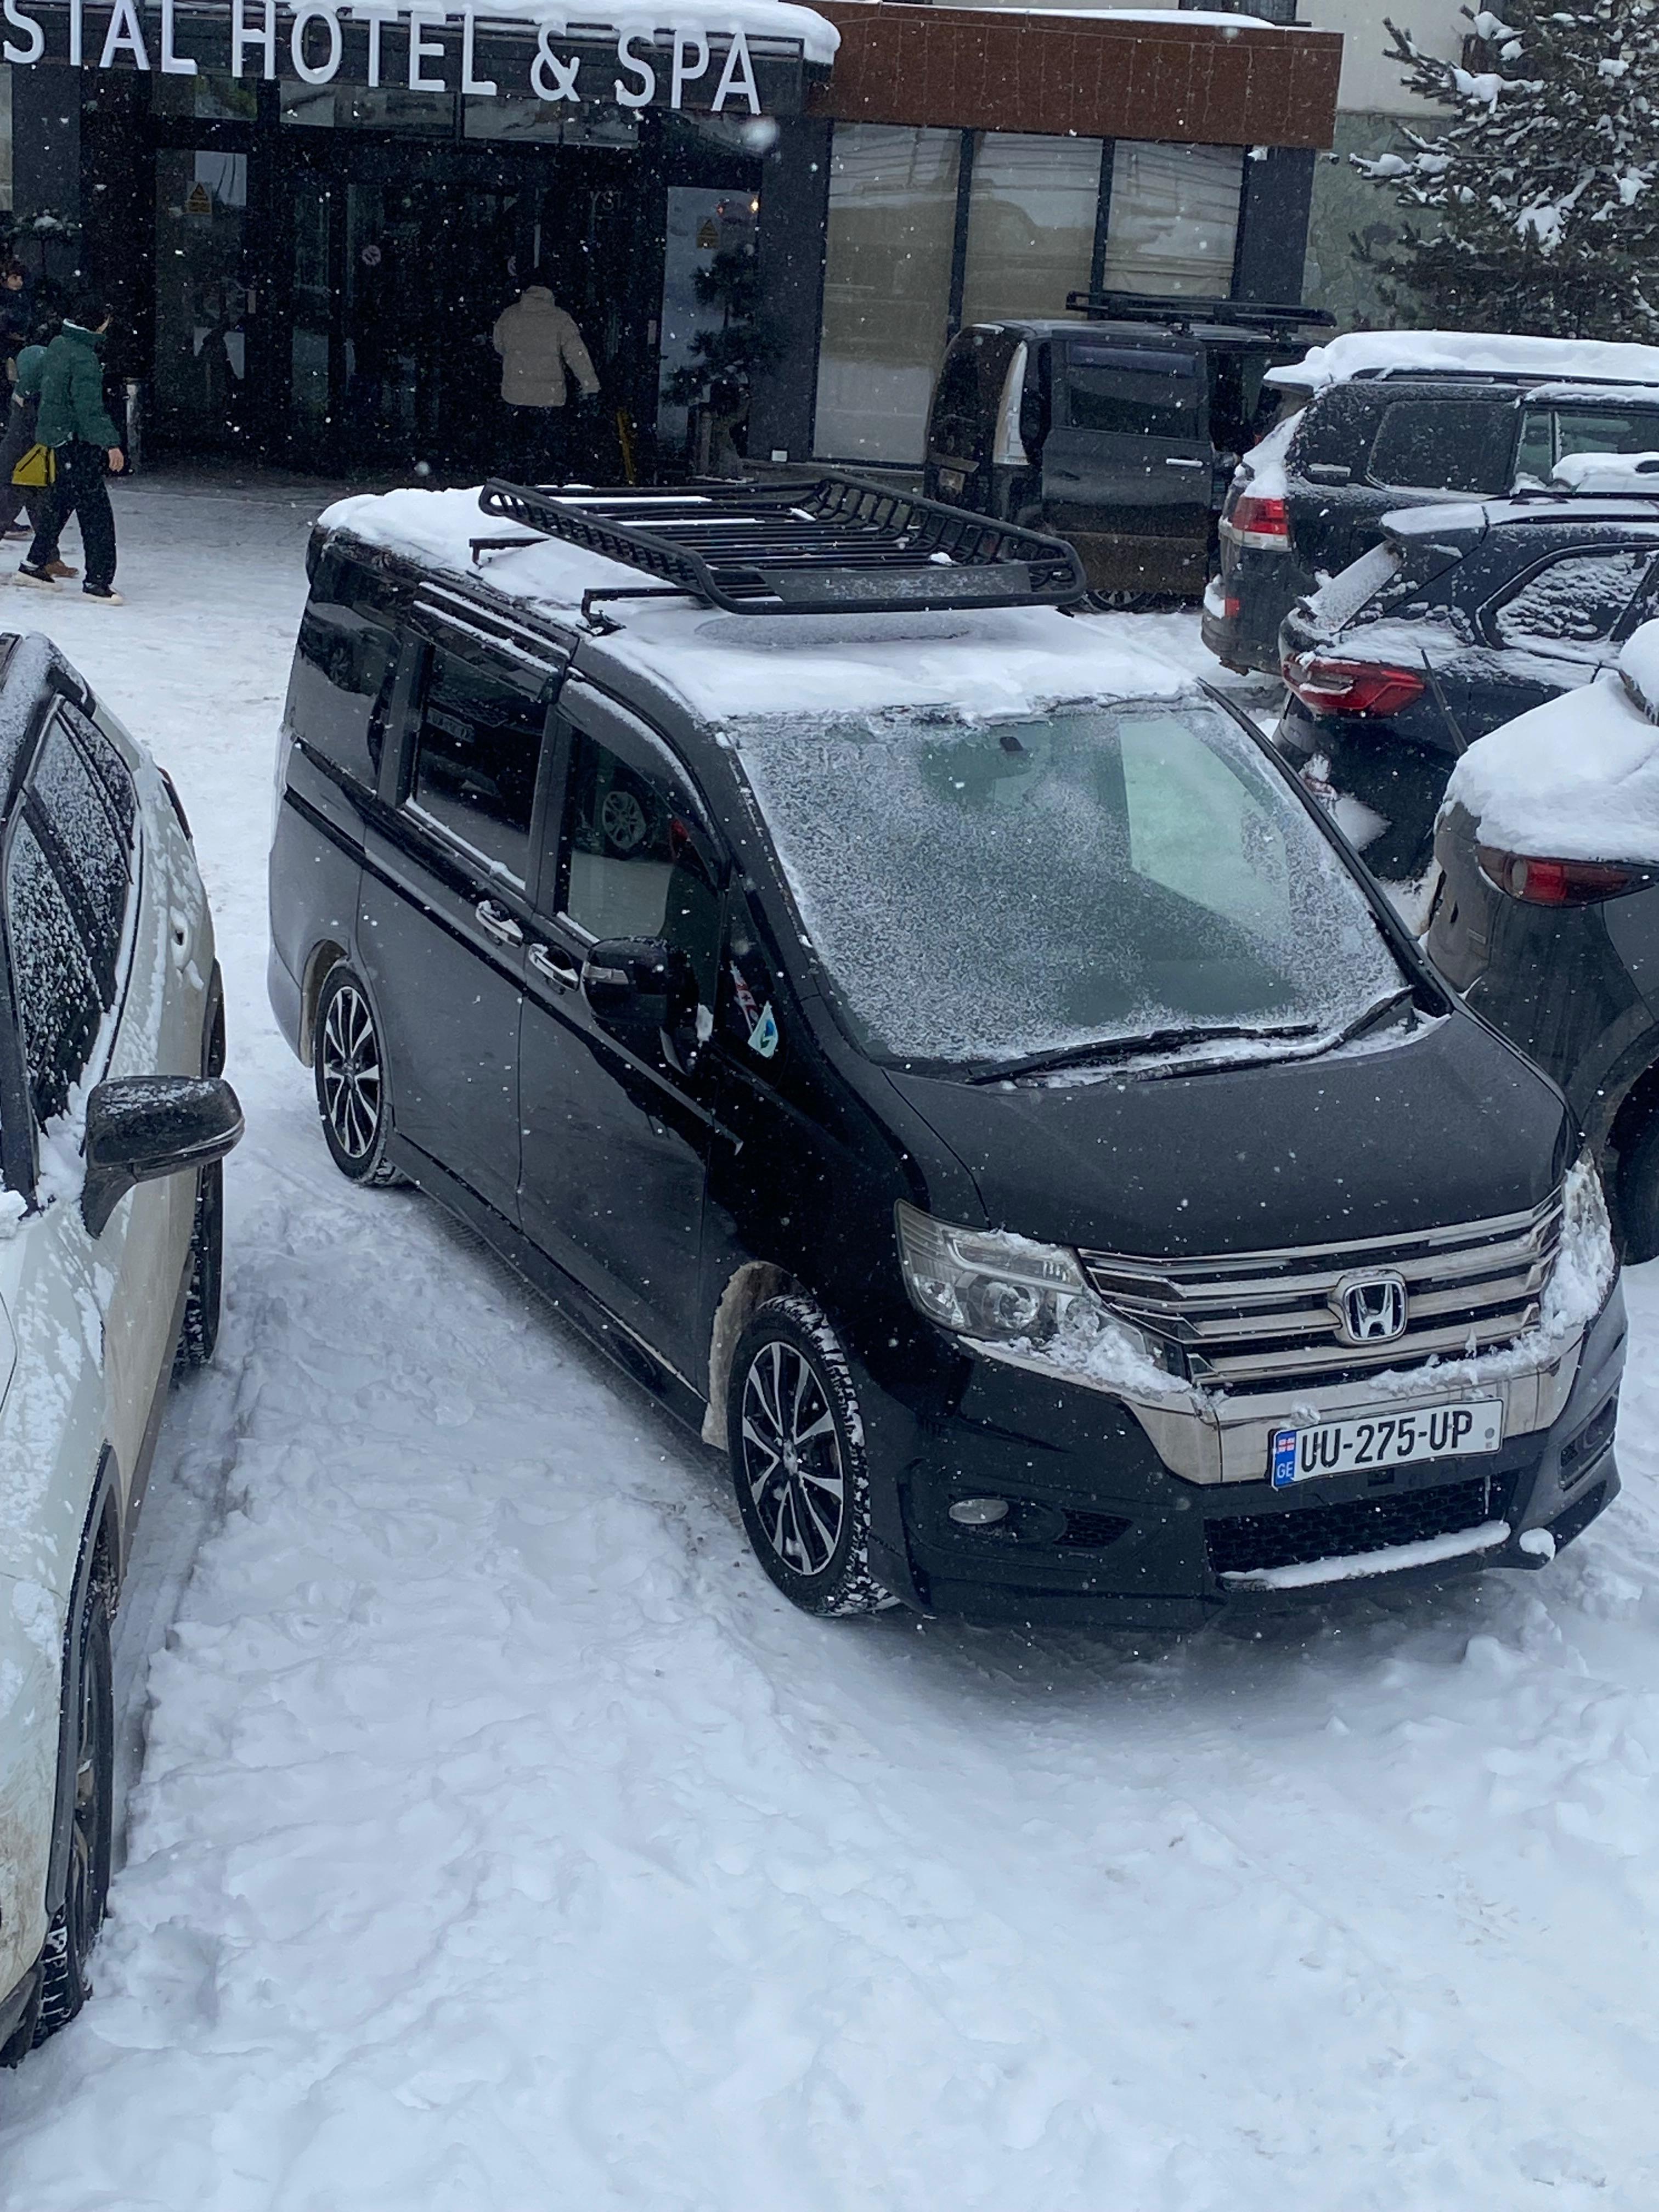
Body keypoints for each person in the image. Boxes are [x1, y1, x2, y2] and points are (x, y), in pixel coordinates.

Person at [16, 292, 125, 604]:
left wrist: (23, 393)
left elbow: (35, 375)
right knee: (96, 513)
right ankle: (98, 582)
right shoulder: (85, 358)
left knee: (63, 500)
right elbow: (88, 408)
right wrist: (110, 444)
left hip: (58, 438)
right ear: (97, 324)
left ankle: (34, 564)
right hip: (79, 441)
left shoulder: (59, 344)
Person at [491, 276, 599, 484]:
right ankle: (547, 484)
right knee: (549, 447)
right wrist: (590, 385)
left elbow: (499, 346)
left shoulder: (509, 315)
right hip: (549, 398)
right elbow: (577, 355)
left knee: (517, 446)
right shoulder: (560, 318)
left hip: (515, 395)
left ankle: (515, 483)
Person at [0, 314, 72, 566]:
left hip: (27, 451)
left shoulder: (31, 363)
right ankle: (50, 557)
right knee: (15, 501)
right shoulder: (43, 367)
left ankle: (50, 557)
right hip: (28, 453)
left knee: (36, 504)